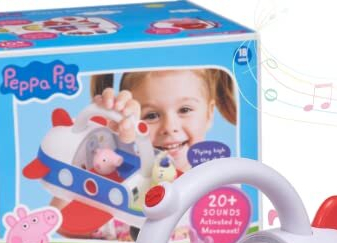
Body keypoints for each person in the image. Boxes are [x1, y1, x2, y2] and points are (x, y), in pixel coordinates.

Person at [89, 68, 237, 175]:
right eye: (152, 115)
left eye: (184, 110)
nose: (169, 127)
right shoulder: (123, 171)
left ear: (209, 114)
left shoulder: (222, 184)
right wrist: (115, 136)